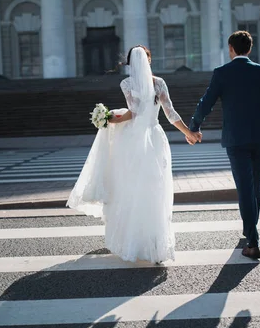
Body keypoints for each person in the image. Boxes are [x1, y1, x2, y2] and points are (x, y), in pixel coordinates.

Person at [67, 45, 201, 263]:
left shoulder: (127, 83)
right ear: (149, 60)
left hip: (132, 141)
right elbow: (170, 113)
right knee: (156, 189)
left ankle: (134, 242)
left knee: (131, 191)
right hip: (155, 138)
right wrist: (189, 133)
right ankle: (156, 245)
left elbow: (133, 112)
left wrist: (110, 118)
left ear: (129, 63)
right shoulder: (159, 83)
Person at [188, 31, 260, 260]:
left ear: (231, 49)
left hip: (236, 139)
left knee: (245, 187)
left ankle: (253, 242)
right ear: (249, 49)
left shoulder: (222, 73)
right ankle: (249, 229)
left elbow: (206, 103)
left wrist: (193, 127)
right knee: (255, 186)